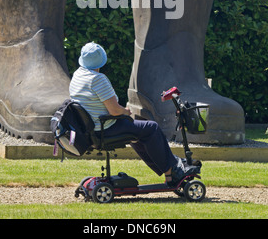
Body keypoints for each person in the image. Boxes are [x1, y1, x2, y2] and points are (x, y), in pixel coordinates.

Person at [69, 41, 199, 185]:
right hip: (106, 128)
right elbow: (114, 110)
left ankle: (169, 169)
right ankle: (171, 170)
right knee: (152, 128)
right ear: (101, 61)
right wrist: (125, 111)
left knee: (138, 135)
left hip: (94, 129)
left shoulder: (78, 75)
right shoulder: (97, 79)